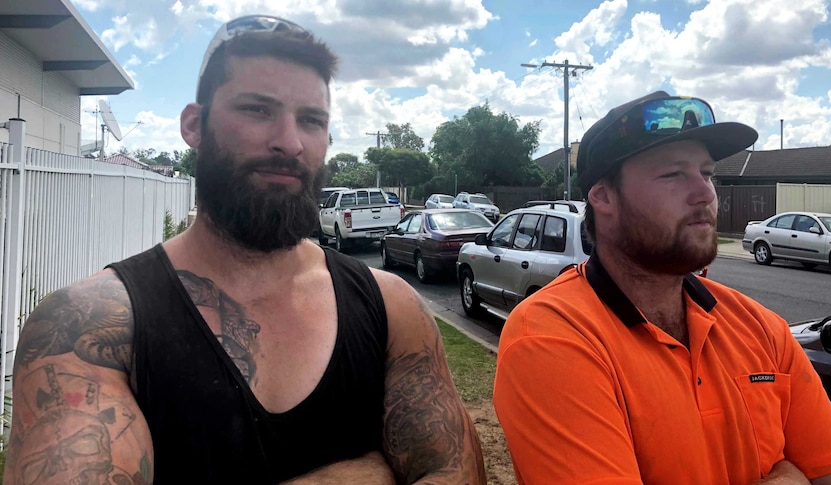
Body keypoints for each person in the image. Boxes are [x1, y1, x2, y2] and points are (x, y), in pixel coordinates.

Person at [4, 15, 485, 485]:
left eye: (312, 120)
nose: (290, 142)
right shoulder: (88, 327)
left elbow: (456, 471)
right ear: (194, 125)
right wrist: (363, 473)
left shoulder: (390, 307)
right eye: (257, 109)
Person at [493, 91, 831, 484]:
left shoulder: (761, 328)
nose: (705, 193)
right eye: (673, 174)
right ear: (603, 195)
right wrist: (787, 478)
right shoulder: (551, 337)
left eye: (707, 173)